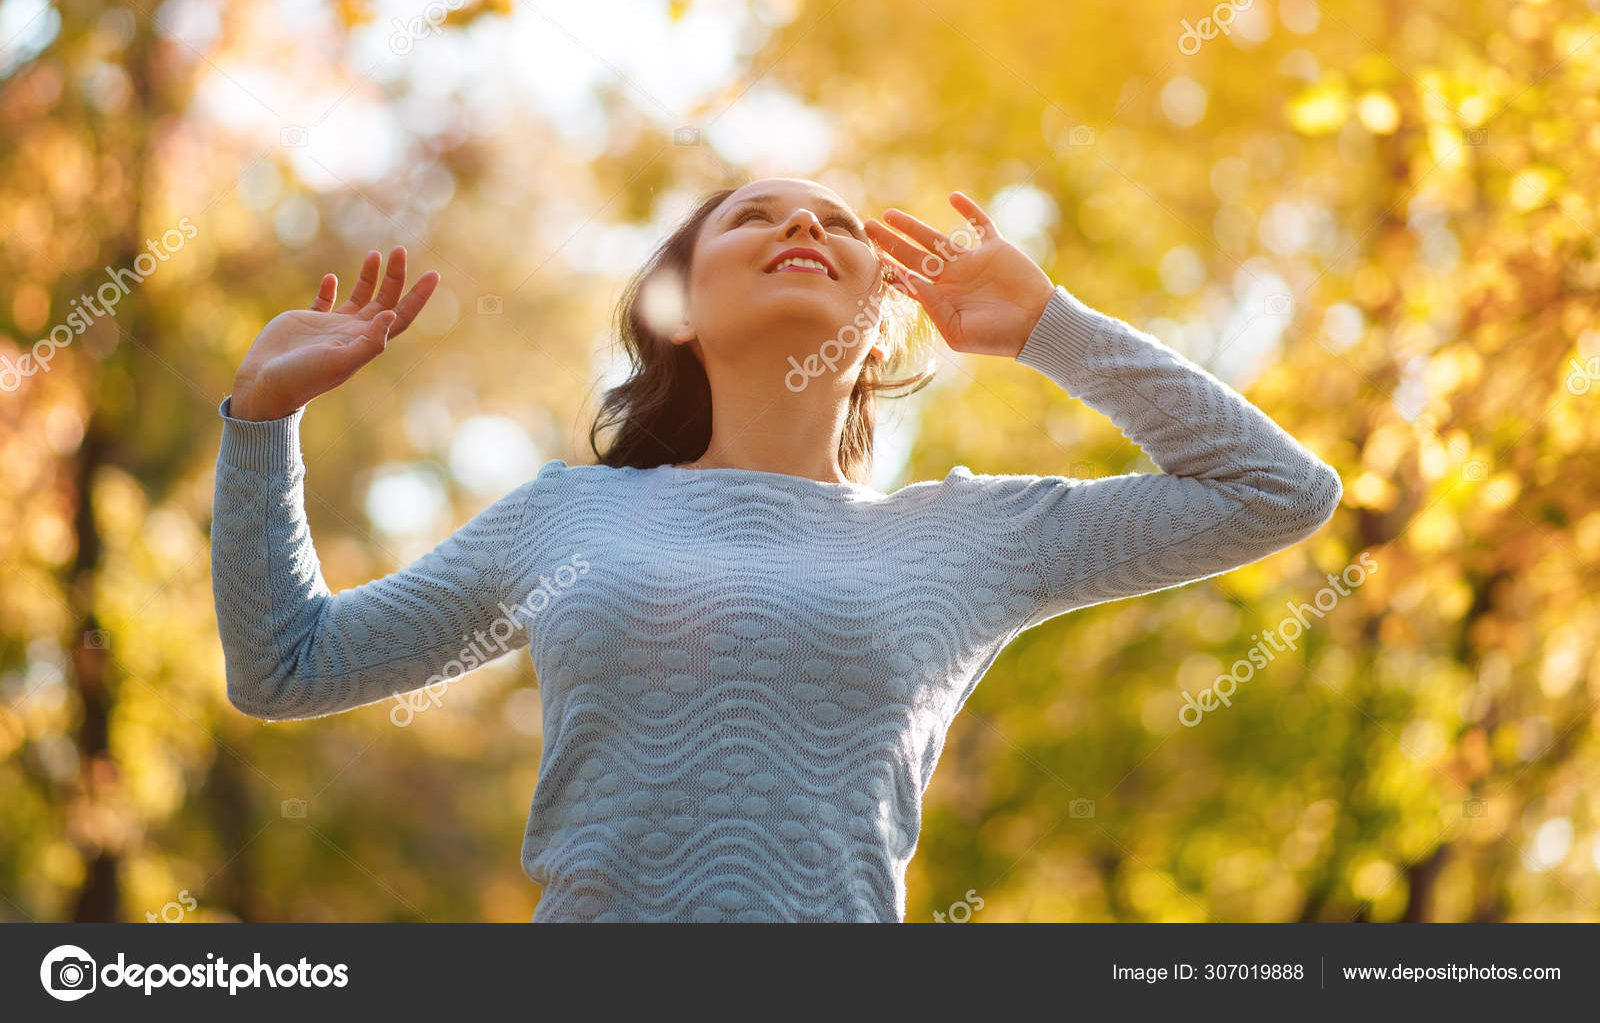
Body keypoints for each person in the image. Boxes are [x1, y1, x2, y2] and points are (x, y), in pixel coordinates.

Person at [210, 176, 1342, 921]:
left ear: (882, 320)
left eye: (839, 226)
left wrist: (1052, 328)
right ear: (679, 314)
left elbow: (1277, 494)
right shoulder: (567, 517)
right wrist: (262, 424)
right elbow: (288, 666)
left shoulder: (964, 536)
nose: (805, 226)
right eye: (753, 217)